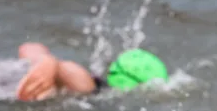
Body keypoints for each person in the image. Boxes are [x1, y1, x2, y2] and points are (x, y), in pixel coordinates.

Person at [15, 43, 168, 101]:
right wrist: (52, 64)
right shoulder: (93, 88)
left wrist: (42, 58)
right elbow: (78, 78)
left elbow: (27, 47)